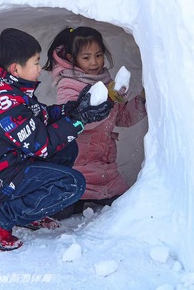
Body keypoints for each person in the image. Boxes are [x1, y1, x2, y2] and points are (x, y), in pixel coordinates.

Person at [0, 28, 114, 251]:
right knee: (72, 184)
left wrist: (74, 108)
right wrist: (80, 120)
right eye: (36, 62)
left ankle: (27, 213)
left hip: (6, 162)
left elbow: (41, 117)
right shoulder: (3, 99)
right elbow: (42, 145)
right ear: (16, 68)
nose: (39, 68)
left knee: (67, 149)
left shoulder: (9, 86)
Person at [43, 26, 147, 218]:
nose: (94, 62)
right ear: (72, 58)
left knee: (124, 206)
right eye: (86, 57)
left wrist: (142, 101)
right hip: (79, 165)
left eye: (98, 55)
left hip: (105, 166)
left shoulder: (108, 83)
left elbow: (122, 117)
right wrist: (109, 98)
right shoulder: (69, 84)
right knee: (67, 205)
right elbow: (79, 122)